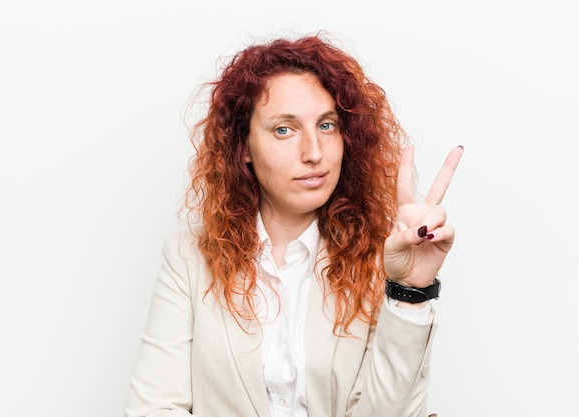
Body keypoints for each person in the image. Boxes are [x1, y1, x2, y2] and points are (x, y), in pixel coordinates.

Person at [125, 33, 463, 417]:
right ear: (244, 148)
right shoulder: (188, 259)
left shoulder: (380, 262)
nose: (314, 153)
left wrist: (408, 291)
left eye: (326, 126)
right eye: (284, 129)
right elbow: (154, 408)